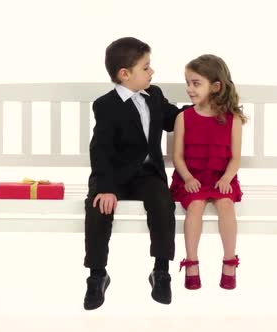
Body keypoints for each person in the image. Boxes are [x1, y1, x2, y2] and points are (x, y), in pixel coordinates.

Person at [83, 37, 186, 310]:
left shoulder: (155, 96)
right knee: (98, 208)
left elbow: (173, 118)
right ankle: (96, 274)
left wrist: (202, 111)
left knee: (163, 202)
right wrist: (105, 187)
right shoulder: (106, 105)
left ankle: (161, 270)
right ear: (124, 74)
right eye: (146, 67)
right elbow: (100, 148)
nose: (152, 72)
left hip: (146, 174)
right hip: (113, 176)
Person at [170, 54, 247, 290]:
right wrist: (188, 177)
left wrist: (226, 178)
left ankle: (229, 261)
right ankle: (191, 261)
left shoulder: (232, 120)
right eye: (188, 83)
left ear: (215, 86)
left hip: (220, 178)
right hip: (192, 177)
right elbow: (178, 157)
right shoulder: (184, 117)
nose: (189, 89)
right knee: (195, 206)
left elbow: (235, 158)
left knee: (226, 205)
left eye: (196, 83)